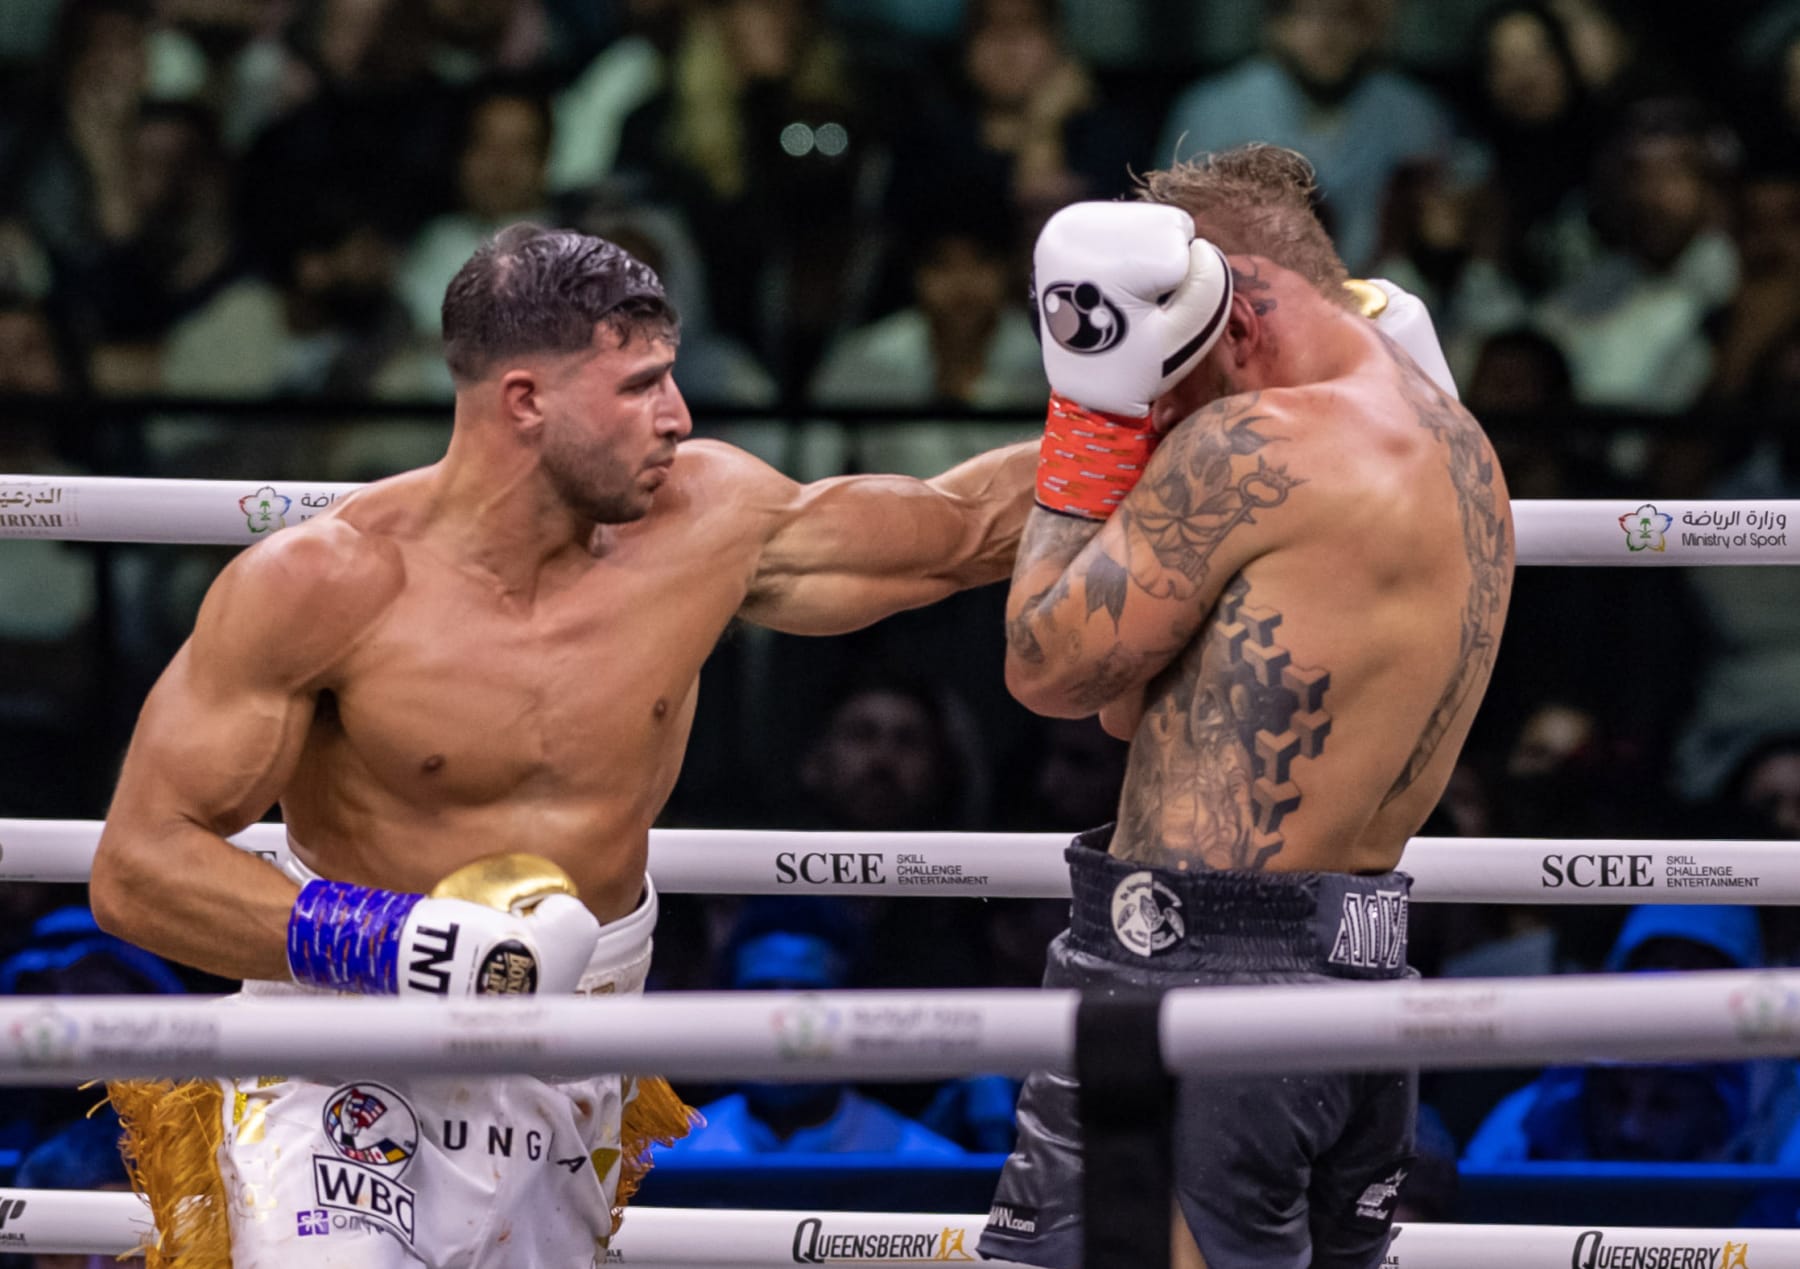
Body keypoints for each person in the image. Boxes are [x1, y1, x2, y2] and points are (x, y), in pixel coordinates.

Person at [88, 223, 1035, 1268]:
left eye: (670, 380)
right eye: (637, 388)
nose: (677, 418)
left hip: (578, 1048)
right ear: (525, 401)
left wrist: (1146, 403)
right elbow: (139, 868)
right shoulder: (327, 583)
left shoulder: (707, 520)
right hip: (350, 1046)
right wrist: (408, 944)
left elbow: (960, 532)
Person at [982, 144, 1515, 1269]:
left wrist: (1091, 417)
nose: (1163, 396)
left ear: (1221, 306)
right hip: (1361, 986)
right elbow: (1142, 720)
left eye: (1165, 354)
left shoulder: (1252, 446)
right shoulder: (1465, 451)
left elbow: (1047, 668)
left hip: (1195, 984)